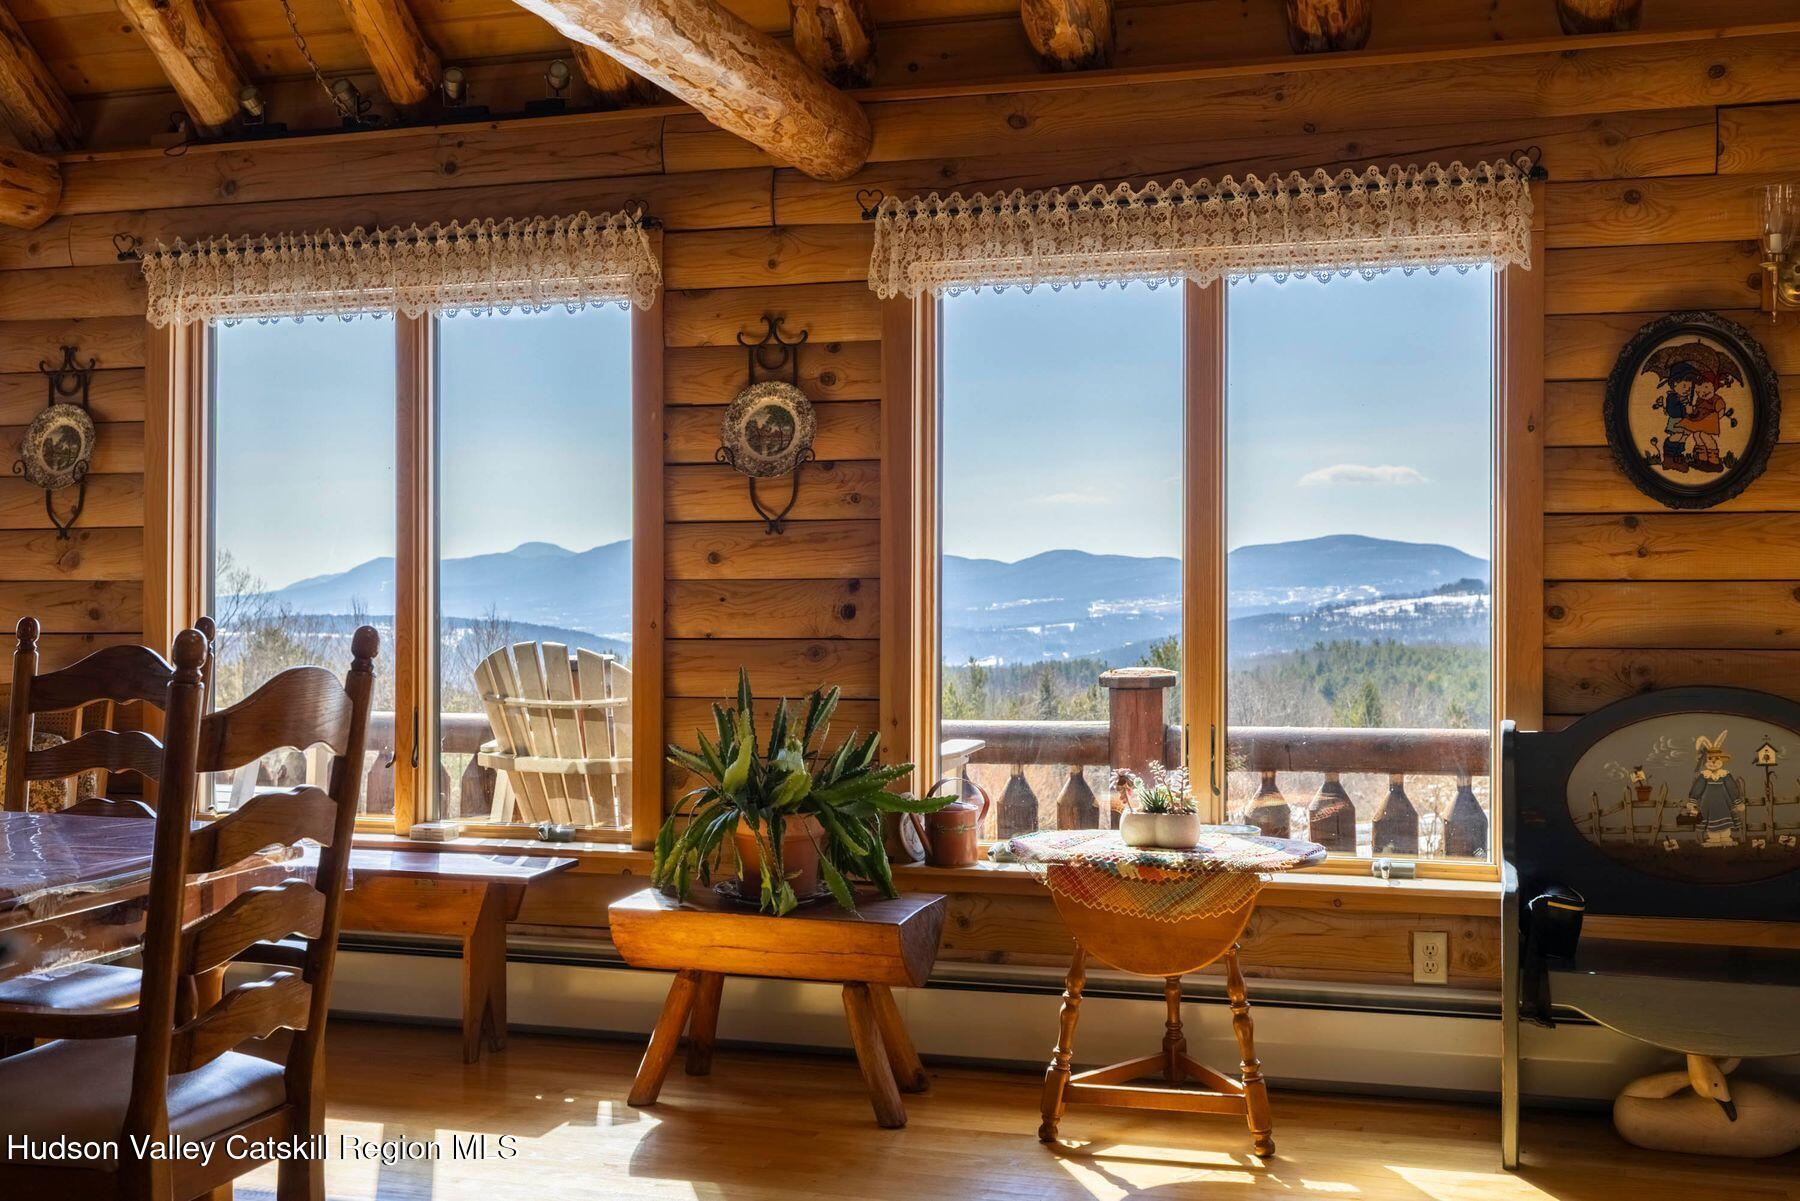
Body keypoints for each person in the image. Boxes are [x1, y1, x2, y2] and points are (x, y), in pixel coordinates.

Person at [1688, 732, 1743, 847]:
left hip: (1724, 803)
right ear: (1706, 760)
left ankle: (1726, 838)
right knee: (1710, 821)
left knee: (1726, 819)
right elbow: (1697, 788)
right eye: (1710, 759)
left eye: (1716, 758)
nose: (1713, 761)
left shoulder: (1725, 774)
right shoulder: (1704, 775)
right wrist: (1692, 802)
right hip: (1708, 805)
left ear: (1721, 760)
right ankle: (1713, 840)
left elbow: (1732, 788)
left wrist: (1737, 802)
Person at [1652, 361, 1696, 472]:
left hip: (1684, 422)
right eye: (1684, 386)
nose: (1687, 389)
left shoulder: (1685, 398)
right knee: (1677, 436)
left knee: (1684, 436)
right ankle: (1669, 457)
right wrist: (1685, 409)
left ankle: (1677, 455)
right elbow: (1672, 412)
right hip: (1676, 422)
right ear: (1675, 384)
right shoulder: (1672, 397)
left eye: (1689, 388)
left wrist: (1690, 411)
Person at [1680, 370, 1725, 473]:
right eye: (1699, 392)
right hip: (1701, 422)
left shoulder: (1716, 399)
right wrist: (1691, 411)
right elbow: (1697, 413)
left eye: (1706, 387)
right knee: (1696, 435)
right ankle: (1702, 459)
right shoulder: (1700, 401)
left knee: (1705, 436)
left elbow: (1721, 410)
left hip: (1710, 422)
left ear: (1713, 385)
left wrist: (1715, 419)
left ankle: (1714, 462)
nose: (1703, 392)